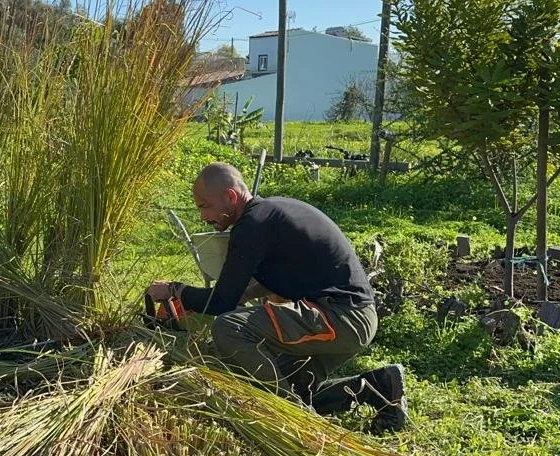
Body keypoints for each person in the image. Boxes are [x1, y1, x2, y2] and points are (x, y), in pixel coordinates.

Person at [148, 162, 407, 433]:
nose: (203, 217)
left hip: (341, 318)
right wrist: (248, 293)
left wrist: (174, 291)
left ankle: (294, 422)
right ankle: (381, 385)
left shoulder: (251, 225)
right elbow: (295, 269)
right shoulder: (272, 212)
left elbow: (221, 303)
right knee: (290, 383)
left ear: (231, 197)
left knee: (228, 327)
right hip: (354, 316)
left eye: (204, 206)